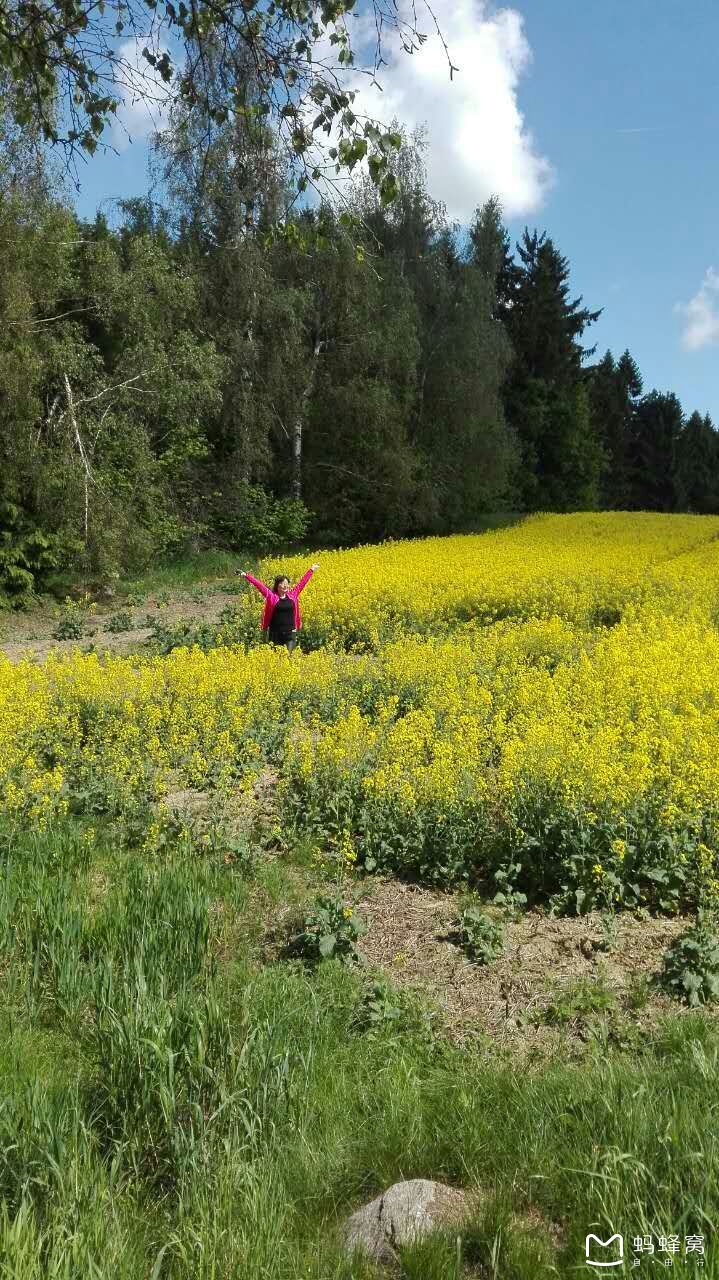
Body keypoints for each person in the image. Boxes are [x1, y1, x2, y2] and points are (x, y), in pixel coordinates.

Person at [238, 563, 320, 653]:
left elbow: (302, 583)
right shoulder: (271, 596)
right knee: (277, 659)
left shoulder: (293, 595)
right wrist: (246, 575)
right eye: (282, 584)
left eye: (287, 584)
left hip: (290, 633)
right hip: (275, 634)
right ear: (277, 586)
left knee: (288, 657)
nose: (285, 586)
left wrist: (311, 570)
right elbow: (259, 585)